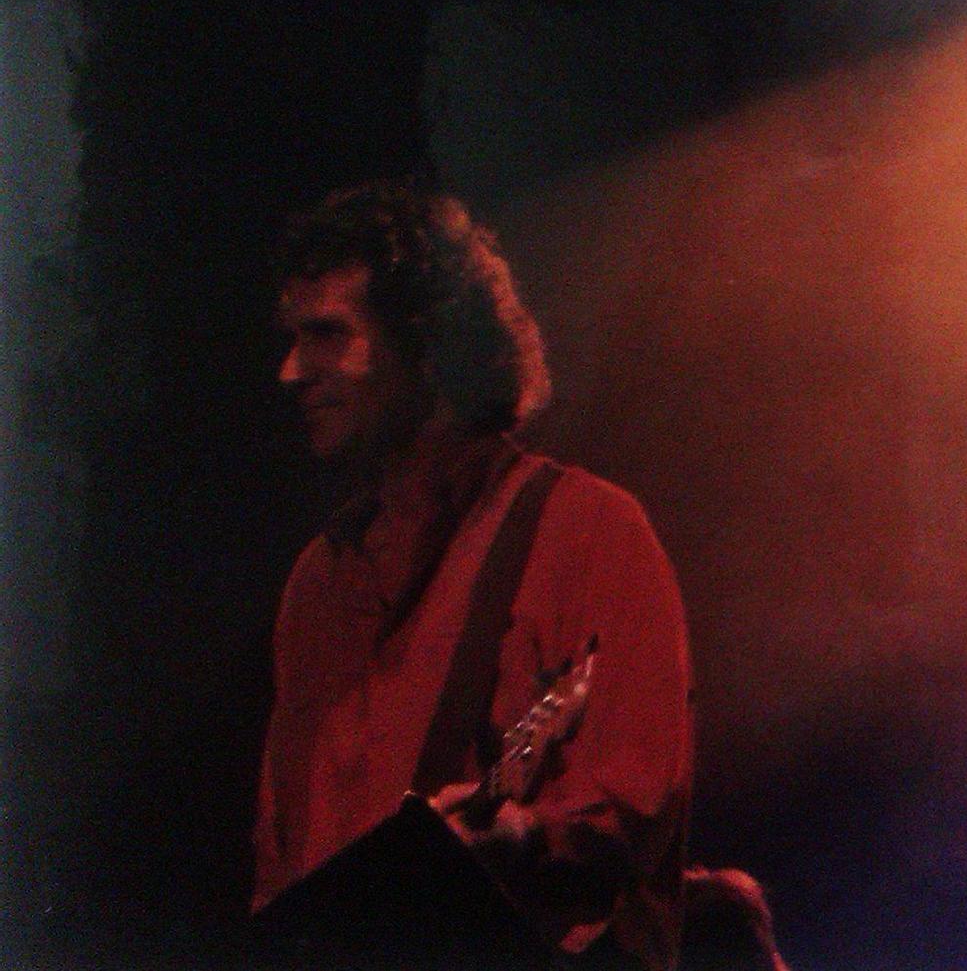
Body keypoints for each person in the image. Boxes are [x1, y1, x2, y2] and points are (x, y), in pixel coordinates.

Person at [254, 181, 693, 968]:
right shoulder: (318, 583)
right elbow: (280, 869)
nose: (292, 370)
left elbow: (636, 804)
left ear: (426, 344)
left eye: (326, 335)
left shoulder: (589, 529)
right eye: (293, 337)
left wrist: (524, 837)